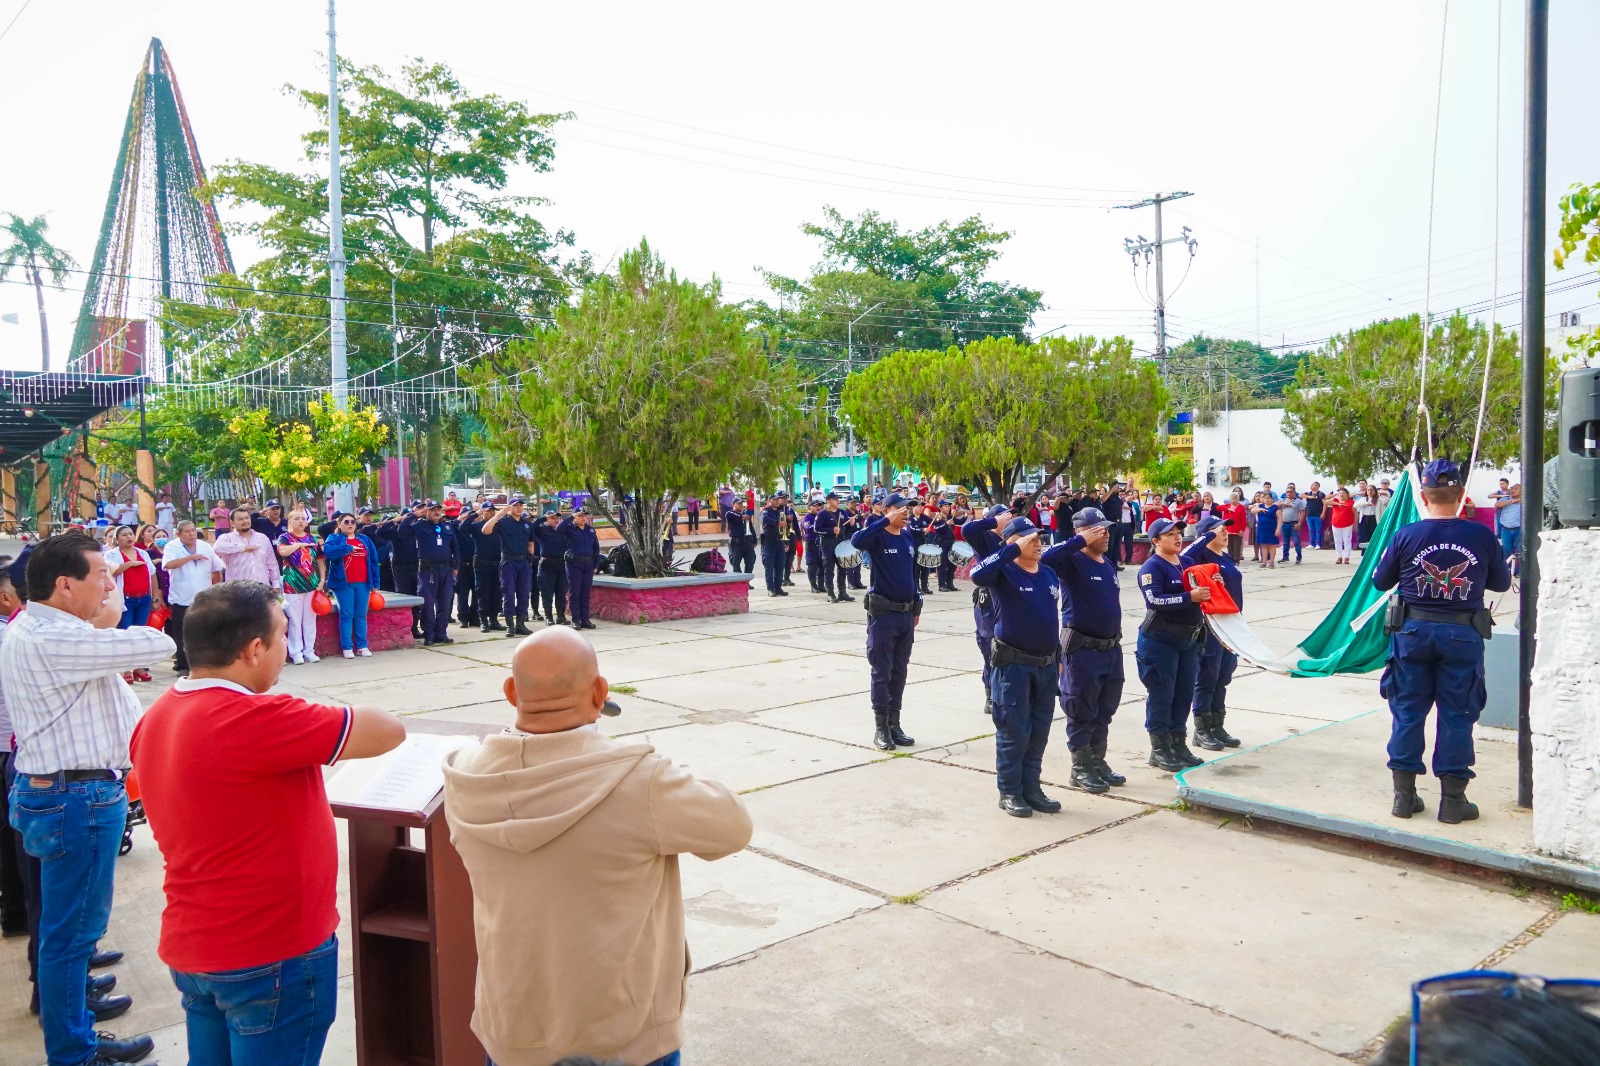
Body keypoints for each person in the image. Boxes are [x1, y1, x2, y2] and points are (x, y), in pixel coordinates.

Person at [442, 627, 751, 1066]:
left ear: (512, 692)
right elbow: (734, 826)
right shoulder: (638, 781)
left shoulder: (465, 778)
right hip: (621, 1038)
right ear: (600, 691)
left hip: (512, 1029)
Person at [132, 581, 404, 1066]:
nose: (285, 648)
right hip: (269, 950)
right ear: (254, 649)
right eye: (281, 636)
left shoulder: (158, 715)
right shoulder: (253, 717)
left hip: (198, 942)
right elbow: (387, 729)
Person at [4, 531, 176, 1066]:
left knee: (67, 932)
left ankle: (75, 1036)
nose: (110, 583)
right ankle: (75, 1053)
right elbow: (160, 643)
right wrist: (112, 614)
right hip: (74, 797)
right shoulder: (51, 636)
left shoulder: (45, 629)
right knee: (69, 938)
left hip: (67, 792)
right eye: (101, 574)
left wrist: (97, 617)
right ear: (63, 585)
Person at [1373, 459, 1511, 824]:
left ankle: (1404, 797)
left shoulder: (1406, 535)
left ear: (1423, 495)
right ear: (1462, 495)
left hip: (1413, 633)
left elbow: (1380, 581)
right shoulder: (1480, 535)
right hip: (1461, 634)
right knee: (1457, 713)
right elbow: (1500, 582)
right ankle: (1453, 801)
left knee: (1407, 711)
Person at [971, 518, 1062, 818]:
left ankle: (1031, 788)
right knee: (1013, 731)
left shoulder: (1048, 573)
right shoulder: (1003, 572)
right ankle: (1009, 791)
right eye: (1029, 539)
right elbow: (978, 574)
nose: (1037, 543)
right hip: (1014, 667)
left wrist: (1058, 658)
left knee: (1038, 731)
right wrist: (1011, 551)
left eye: (1039, 538)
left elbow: (1052, 620)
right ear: (1013, 542)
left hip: (1046, 666)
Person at [1041, 507, 1127, 794]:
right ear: (1083, 532)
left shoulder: (1106, 562)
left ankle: (1096, 761)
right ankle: (1080, 768)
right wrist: (1078, 540)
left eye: (1106, 528)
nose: (1106, 534)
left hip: (1111, 649)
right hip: (1083, 649)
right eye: (1099, 529)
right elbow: (1047, 558)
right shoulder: (1072, 561)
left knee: (1104, 709)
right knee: (1081, 708)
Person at [1136, 518, 1210, 773]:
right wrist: (1188, 597)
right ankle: (1159, 749)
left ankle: (1178, 744)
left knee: (1183, 693)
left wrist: (1213, 583)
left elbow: (1203, 587)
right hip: (1160, 642)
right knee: (1161, 695)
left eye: (1179, 533)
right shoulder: (1151, 568)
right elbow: (1154, 600)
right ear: (1155, 540)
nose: (1177, 537)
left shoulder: (1187, 563)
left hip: (1187, 641)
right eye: (1170, 534)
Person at [851, 492, 921, 751]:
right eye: (902, 508)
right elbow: (857, 540)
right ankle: (881, 728)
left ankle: (895, 724)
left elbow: (912, 573)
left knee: (900, 671)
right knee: (882, 671)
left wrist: (916, 602)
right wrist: (882, 520)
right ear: (888, 509)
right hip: (883, 615)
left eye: (908, 508)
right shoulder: (877, 535)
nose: (906, 512)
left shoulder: (906, 536)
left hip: (905, 614)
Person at [1182, 515, 1245, 751]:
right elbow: (1187, 553)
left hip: (1232, 624)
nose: (1225, 532)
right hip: (1212, 626)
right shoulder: (1198, 556)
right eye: (1219, 529)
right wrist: (1206, 536)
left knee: (1224, 675)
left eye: (1226, 528)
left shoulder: (1225, 556)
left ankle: (1217, 726)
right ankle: (1202, 729)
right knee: (1207, 676)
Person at [961, 504, 1010, 716]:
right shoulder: (984, 538)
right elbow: (968, 529)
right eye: (1001, 515)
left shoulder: (1012, 539)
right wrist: (992, 522)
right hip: (987, 599)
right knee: (989, 646)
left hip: (1008, 595)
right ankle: (990, 693)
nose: (1006, 518)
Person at [162, 520, 223, 676]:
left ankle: (204, 664)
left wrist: (218, 589)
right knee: (182, 633)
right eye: (187, 531)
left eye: (193, 530)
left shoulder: (205, 546)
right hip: (181, 597)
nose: (191, 534)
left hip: (203, 597)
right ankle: (182, 665)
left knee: (204, 631)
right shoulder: (172, 546)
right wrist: (191, 557)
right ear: (179, 534)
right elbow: (169, 565)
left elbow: (217, 568)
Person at [103, 527, 158, 681]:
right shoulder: (111, 555)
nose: (129, 537)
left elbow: (152, 575)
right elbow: (110, 572)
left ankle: (139, 667)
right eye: (124, 535)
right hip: (126, 599)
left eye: (131, 534)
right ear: (117, 539)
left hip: (144, 598)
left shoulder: (143, 553)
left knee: (140, 633)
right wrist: (130, 564)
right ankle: (126, 668)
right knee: (126, 633)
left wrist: (156, 597)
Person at [322, 513, 377, 659]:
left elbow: (373, 562)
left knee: (361, 615)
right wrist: (348, 548)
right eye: (346, 522)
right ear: (339, 524)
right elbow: (328, 552)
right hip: (343, 584)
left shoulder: (364, 540)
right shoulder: (334, 538)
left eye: (352, 521)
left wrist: (375, 583)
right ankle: (347, 647)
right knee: (347, 614)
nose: (350, 524)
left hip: (363, 583)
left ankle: (362, 646)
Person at [276, 511, 325, 665]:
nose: (300, 521)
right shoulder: (285, 538)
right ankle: (296, 652)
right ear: (289, 521)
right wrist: (298, 545)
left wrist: (322, 580)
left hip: (312, 583)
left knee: (310, 619)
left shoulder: (312, 538)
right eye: (296, 519)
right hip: (293, 585)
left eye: (303, 519)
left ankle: (309, 650)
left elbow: (320, 560)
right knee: (295, 620)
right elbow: (282, 551)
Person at [485, 497, 537, 637]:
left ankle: (520, 624)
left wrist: (530, 555)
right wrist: (500, 513)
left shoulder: (526, 524)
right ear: (509, 508)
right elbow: (486, 530)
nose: (519, 508)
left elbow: (531, 542)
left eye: (521, 505)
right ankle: (510, 625)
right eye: (516, 505)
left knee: (524, 593)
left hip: (524, 562)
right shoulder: (503, 522)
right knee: (508, 593)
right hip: (509, 562)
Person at [414, 501, 458, 647]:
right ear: (427, 511)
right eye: (432, 509)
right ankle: (429, 634)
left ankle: (441, 633)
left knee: (445, 602)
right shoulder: (420, 526)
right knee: (427, 603)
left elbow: (455, 547)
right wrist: (415, 514)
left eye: (438, 509)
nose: (436, 512)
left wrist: (456, 566)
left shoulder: (446, 526)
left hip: (445, 569)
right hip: (428, 570)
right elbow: (402, 530)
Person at [214, 508, 280, 590]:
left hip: (262, 590)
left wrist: (276, 585)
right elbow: (217, 549)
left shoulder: (262, 538)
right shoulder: (227, 538)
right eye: (240, 519)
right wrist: (242, 548)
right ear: (232, 522)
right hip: (237, 591)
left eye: (247, 518)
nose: (245, 521)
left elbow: (272, 563)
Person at [558, 509, 601, 630]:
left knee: (585, 593)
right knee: (574, 593)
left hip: (588, 564)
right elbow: (559, 528)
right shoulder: (569, 528)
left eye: (585, 516)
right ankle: (576, 619)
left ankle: (585, 619)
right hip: (574, 564)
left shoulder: (590, 530)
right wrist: (571, 516)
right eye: (580, 516)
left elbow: (596, 548)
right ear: (575, 517)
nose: (583, 518)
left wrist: (596, 565)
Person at [468, 503, 505, 633]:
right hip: (482, 563)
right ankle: (483, 621)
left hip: (497, 563)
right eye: (488, 511)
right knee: (483, 593)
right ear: (483, 512)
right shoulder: (477, 526)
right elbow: (462, 527)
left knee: (496, 593)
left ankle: (494, 620)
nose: (491, 513)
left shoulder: (498, 526)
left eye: (493, 511)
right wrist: (476, 513)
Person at [531, 509, 571, 626]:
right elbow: (532, 527)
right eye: (552, 518)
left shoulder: (562, 531)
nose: (555, 520)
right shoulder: (542, 530)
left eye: (556, 518)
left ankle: (561, 616)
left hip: (562, 565)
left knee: (561, 593)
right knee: (547, 594)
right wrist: (544, 518)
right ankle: (548, 617)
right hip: (547, 565)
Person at [813, 493, 852, 603]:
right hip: (828, 544)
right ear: (829, 501)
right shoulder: (822, 514)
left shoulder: (842, 512)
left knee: (843, 568)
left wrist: (851, 524)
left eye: (838, 499)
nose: (838, 501)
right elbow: (816, 529)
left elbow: (845, 526)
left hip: (841, 543)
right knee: (829, 570)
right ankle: (830, 593)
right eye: (835, 499)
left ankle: (842, 592)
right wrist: (831, 530)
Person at [758, 493, 790, 598]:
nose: (777, 501)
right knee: (769, 566)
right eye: (775, 499)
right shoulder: (765, 511)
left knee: (780, 565)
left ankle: (778, 587)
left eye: (778, 499)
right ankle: (770, 589)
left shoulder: (780, 512)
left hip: (779, 541)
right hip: (769, 541)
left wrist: (786, 541)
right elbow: (765, 519)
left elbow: (784, 527)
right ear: (769, 501)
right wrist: (777, 523)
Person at [723, 498, 756, 575]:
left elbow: (750, 527)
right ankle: (739, 581)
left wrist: (754, 539)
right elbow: (730, 515)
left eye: (741, 503)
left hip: (747, 542)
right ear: (733, 505)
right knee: (735, 563)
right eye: (738, 503)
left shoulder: (745, 515)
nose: (741, 505)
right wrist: (741, 517)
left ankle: (746, 581)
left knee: (750, 561)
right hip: (736, 542)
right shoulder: (730, 513)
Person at [1327, 488, 1358, 564]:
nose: (1341, 494)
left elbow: (1355, 514)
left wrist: (1355, 524)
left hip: (1347, 525)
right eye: (1340, 493)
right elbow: (1326, 501)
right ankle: (1339, 557)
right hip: (1336, 524)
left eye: (1343, 493)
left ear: (1347, 495)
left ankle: (1347, 557)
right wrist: (1337, 503)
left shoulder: (1351, 502)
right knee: (1337, 541)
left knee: (1347, 541)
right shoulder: (1335, 501)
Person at [931, 503, 958, 591]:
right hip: (942, 542)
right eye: (946, 506)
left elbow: (960, 522)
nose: (948, 508)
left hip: (951, 541)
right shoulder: (938, 518)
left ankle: (950, 583)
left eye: (948, 506)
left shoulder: (950, 517)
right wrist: (946, 524)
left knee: (952, 563)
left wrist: (965, 516)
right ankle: (942, 585)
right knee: (942, 564)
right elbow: (937, 529)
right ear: (940, 508)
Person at [1496, 483, 1523, 569]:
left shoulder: (1524, 501)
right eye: (1511, 488)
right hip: (1506, 530)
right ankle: (1507, 571)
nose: (1512, 490)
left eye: (1516, 489)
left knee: (1520, 551)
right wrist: (1510, 501)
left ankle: (1519, 572)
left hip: (1519, 530)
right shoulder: (1505, 499)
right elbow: (1497, 505)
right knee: (1506, 551)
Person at [1251, 492, 1280, 569]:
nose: (1267, 500)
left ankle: (1271, 562)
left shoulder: (1275, 507)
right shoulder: (1260, 506)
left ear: (1272, 499)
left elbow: (1280, 519)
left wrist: (1278, 529)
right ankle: (1264, 562)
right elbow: (1252, 511)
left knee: (1271, 545)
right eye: (1265, 498)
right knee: (1263, 545)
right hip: (1261, 528)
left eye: (1268, 498)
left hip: (1271, 528)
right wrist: (1260, 509)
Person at [1278, 486, 1306, 564]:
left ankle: (1299, 557)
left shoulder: (1298, 501)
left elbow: (1302, 512)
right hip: (1284, 523)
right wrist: (1283, 503)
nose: (1289, 493)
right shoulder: (1283, 500)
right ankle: (1285, 557)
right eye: (1287, 492)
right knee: (1285, 542)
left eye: (1290, 492)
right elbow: (1275, 504)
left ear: (1294, 493)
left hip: (1294, 523)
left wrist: (1299, 523)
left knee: (1296, 541)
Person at [801, 500, 823, 593]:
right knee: (812, 564)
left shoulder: (820, 516)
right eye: (815, 506)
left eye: (818, 506)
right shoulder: (807, 517)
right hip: (811, 542)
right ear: (809, 507)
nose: (817, 508)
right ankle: (813, 585)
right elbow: (809, 528)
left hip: (821, 543)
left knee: (822, 565)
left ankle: (821, 585)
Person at [1302, 482, 1326, 549]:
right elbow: (1300, 495)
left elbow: (1325, 504)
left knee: (1318, 530)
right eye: (1311, 484)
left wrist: (1323, 513)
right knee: (1311, 530)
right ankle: (1312, 544)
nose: (1311, 485)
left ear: (1318, 486)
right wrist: (1309, 497)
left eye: (1313, 484)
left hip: (1318, 514)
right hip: (1309, 514)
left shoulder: (1321, 494)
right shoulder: (1308, 493)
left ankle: (1318, 544)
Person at [1355, 485, 1380, 550]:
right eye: (1368, 490)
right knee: (1364, 535)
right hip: (1364, 518)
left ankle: (1372, 550)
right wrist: (1365, 503)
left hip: (1373, 518)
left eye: (1371, 490)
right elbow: (1355, 505)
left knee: (1373, 535)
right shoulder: (1363, 499)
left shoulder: (1378, 499)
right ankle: (1364, 552)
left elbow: (1382, 510)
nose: (1370, 491)